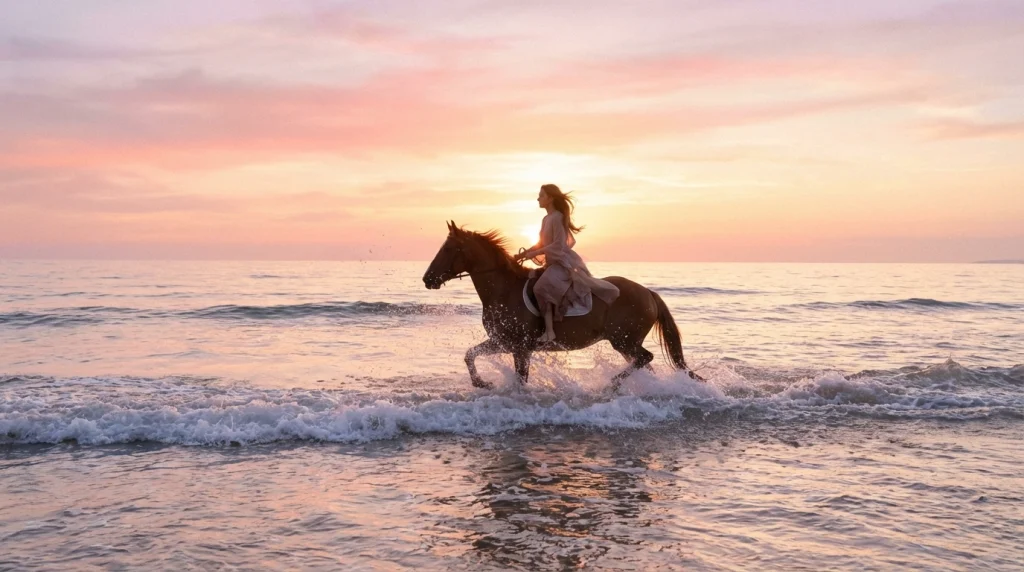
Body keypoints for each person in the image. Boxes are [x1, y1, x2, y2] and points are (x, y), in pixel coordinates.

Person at [514, 184, 620, 343]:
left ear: (550, 198)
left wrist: (535, 253)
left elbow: (558, 245)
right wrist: (524, 254)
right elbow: (542, 243)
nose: (538, 198)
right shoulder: (546, 219)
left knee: (540, 288)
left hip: (562, 263)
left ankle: (550, 332)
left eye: (541, 195)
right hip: (552, 263)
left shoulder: (557, 217)